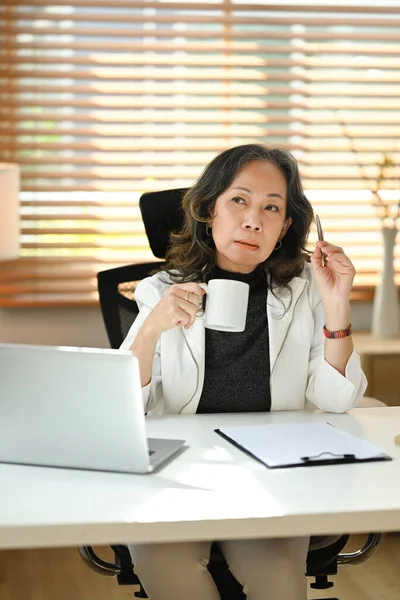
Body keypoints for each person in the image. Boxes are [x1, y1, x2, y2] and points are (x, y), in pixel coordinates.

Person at [120, 144, 367, 600]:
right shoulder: (159, 291)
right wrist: (152, 329)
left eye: (271, 207)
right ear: (209, 210)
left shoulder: (304, 293)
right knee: (169, 571)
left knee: (276, 579)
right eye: (239, 200)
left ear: (284, 228)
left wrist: (336, 304)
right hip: (180, 471)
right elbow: (121, 409)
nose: (253, 219)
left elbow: (336, 399)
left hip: (271, 470)